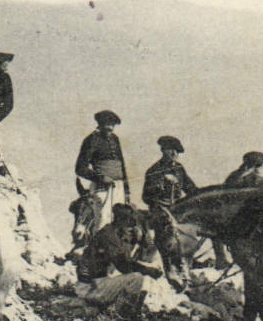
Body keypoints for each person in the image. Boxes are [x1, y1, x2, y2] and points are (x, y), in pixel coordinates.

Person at [72, 110, 129, 246]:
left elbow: (122, 166)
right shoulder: (91, 140)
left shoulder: (115, 139)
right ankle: (97, 255)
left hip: (118, 187)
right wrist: (101, 178)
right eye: (107, 124)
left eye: (112, 125)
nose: (110, 128)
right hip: (101, 188)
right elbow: (80, 168)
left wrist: (126, 190)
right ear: (99, 124)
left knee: (121, 221)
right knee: (103, 221)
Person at [142, 136, 197, 270]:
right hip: (160, 208)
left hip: (178, 208)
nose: (174, 154)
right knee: (167, 228)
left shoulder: (179, 168)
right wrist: (161, 184)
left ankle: (188, 258)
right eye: (171, 150)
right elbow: (146, 197)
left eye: (177, 152)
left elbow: (191, 189)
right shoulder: (154, 170)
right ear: (163, 151)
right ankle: (167, 261)